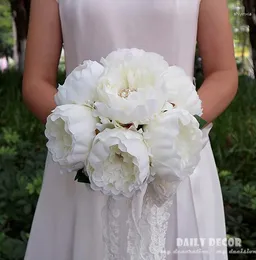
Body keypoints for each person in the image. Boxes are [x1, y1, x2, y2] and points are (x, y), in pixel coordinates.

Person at [22, 0, 238, 259]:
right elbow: (36, 82)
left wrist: (168, 131)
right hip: (84, 160)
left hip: (176, 157)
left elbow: (223, 73)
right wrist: (87, 135)